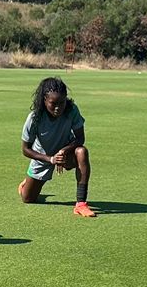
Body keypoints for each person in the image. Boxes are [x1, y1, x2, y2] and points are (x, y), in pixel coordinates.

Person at [19, 76, 95, 217]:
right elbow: (25, 149)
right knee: (28, 199)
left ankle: (81, 204)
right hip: (43, 156)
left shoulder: (72, 110)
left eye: (62, 102)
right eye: (53, 103)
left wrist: (64, 151)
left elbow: (80, 138)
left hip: (67, 152)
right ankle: (25, 184)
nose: (58, 107)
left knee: (82, 151)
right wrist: (51, 159)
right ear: (44, 100)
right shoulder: (35, 117)